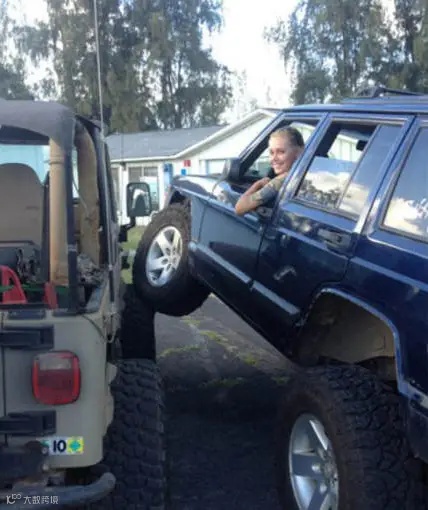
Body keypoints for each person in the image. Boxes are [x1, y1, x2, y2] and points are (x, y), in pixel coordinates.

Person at [234, 126, 305, 216]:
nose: (273, 158)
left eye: (281, 152)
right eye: (271, 153)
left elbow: (239, 208)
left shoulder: (283, 180)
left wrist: (258, 184)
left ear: (299, 152)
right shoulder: (306, 174)